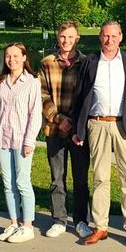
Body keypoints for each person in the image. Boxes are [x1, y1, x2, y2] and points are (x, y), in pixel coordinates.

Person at [72, 20, 126, 248]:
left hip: (125, 125)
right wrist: (79, 128)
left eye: (114, 36)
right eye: (105, 36)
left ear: (121, 37)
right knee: (100, 177)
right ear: (100, 37)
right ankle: (100, 227)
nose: (109, 40)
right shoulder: (90, 62)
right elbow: (79, 96)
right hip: (98, 124)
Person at [38, 21, 92, 239]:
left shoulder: (87, 63)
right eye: (62, 36)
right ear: (57, 37)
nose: (66, 41)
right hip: (55, 129)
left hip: (79, 130)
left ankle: (80, 220)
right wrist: (58, 118)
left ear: (77, 38)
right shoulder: (47, 63)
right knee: (57, 177)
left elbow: (90, 96)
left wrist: (76, 121)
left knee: (81, 179)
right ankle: (59, 219)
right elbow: (41, 95)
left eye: (70, 37)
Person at [0, 43, 42, 243]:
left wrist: (30, 141)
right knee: (8, 183)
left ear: (24, 57)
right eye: (8, 56)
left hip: (22, 139)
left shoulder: (32, 82)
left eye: (15, 56)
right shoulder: (1, 82)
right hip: (3, 138)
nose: (11, 60)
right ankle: (14, 222)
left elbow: (35, 114)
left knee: (22, 182)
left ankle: (27, 226)